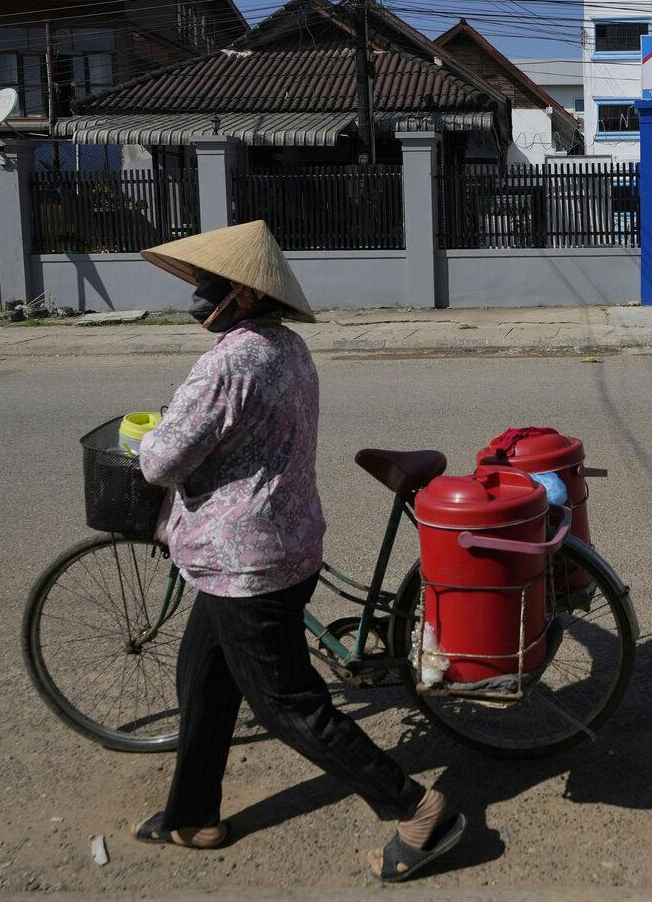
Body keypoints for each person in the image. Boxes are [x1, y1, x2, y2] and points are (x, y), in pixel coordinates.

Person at [129, 219, 465, 882]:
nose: (200, 293)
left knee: (290, 706)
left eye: (212, 283)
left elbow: (162, 459)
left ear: (248, 295)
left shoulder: (230, 361)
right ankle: (193, 812)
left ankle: (421, 809)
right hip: (274, 542)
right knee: (202, 677)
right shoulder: (287, 347)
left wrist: (142, 439)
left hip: (247, 562)